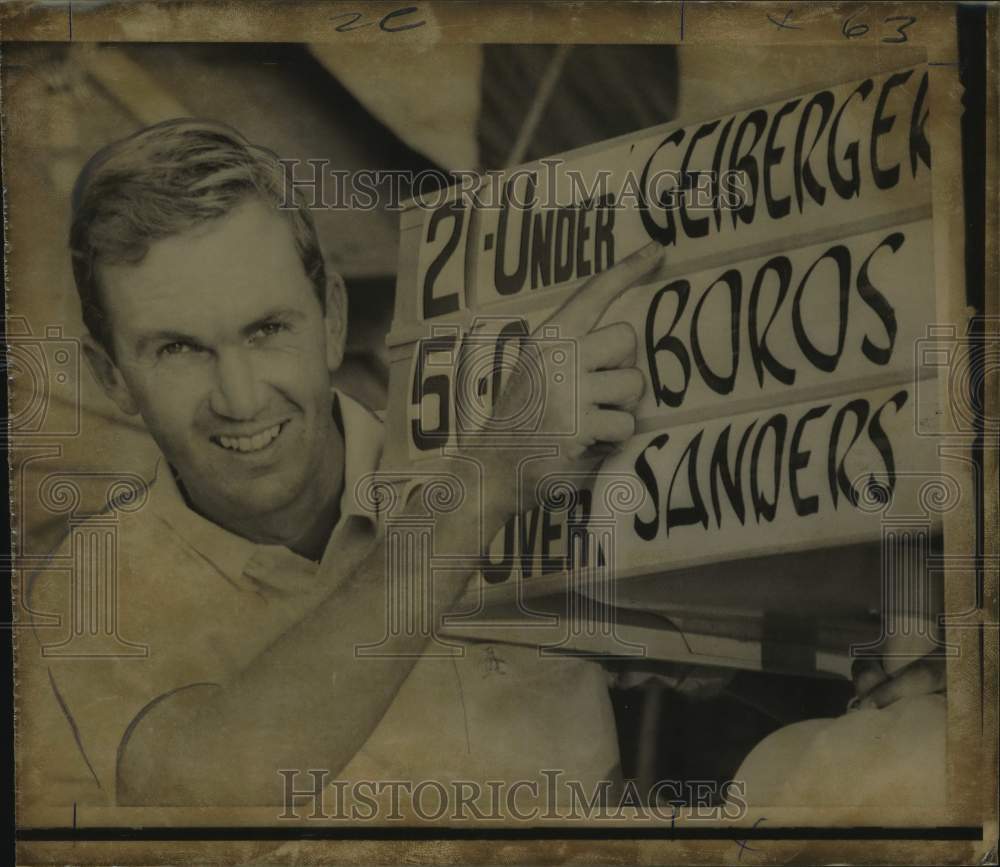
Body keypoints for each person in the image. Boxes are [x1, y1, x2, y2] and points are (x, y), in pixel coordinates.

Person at [17, 118, 665, 814]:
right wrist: (488, 480)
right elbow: (202, 794)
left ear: (330, 319)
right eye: (178, 349)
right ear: (111, 376)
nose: (240, 397)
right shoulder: (83, 595)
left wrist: (699, 625)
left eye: (267, 330)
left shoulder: (536, 465)